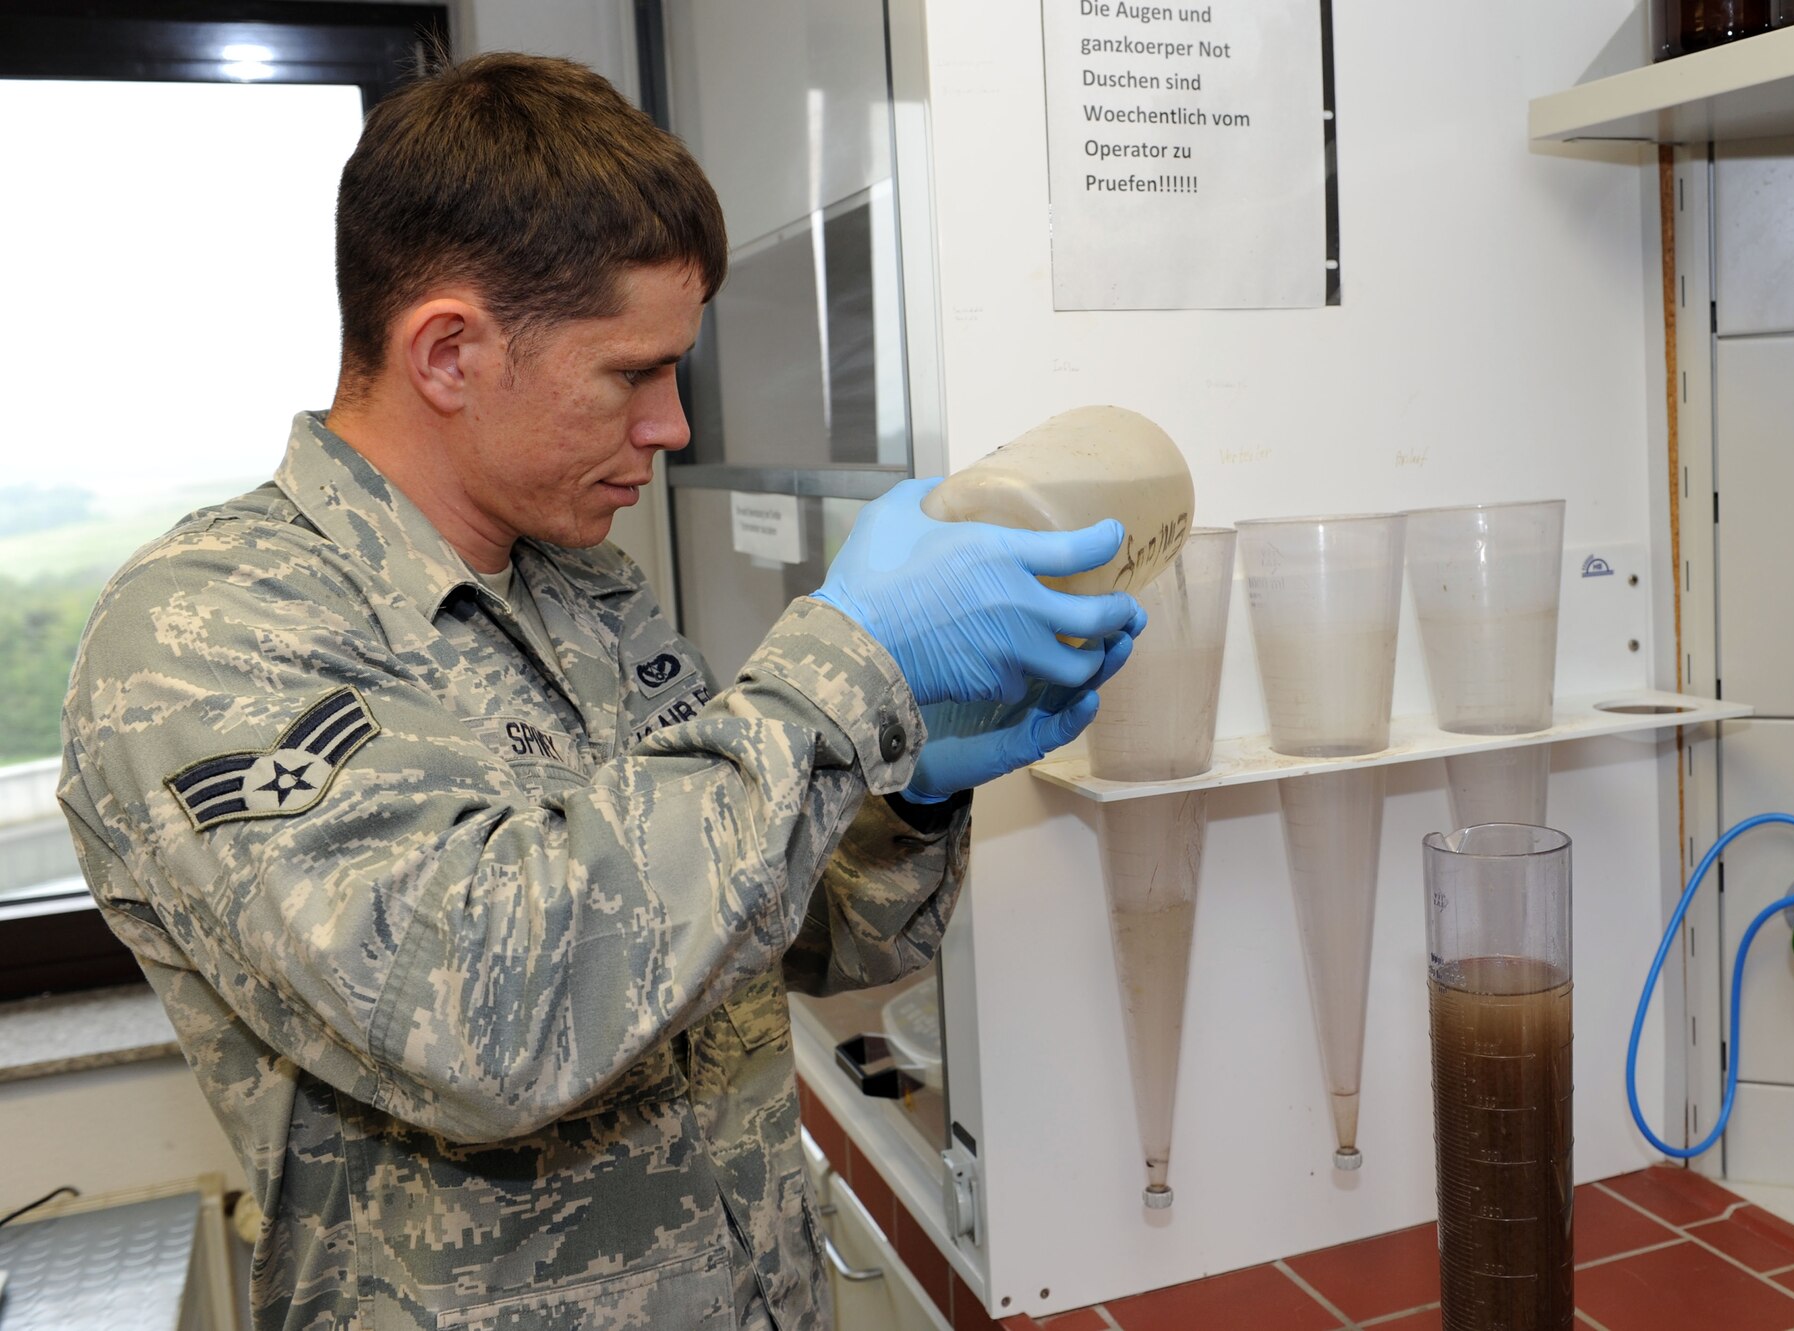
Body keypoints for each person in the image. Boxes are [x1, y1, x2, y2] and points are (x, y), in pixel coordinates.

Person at [57, 52, 1141, 1331]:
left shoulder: (584, 588)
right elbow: (488, 1020)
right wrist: (840, 675)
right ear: (450, 352)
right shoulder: (206, 631)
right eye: (632, 373)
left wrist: (906, 790)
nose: (672, 423)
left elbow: (769, 932)